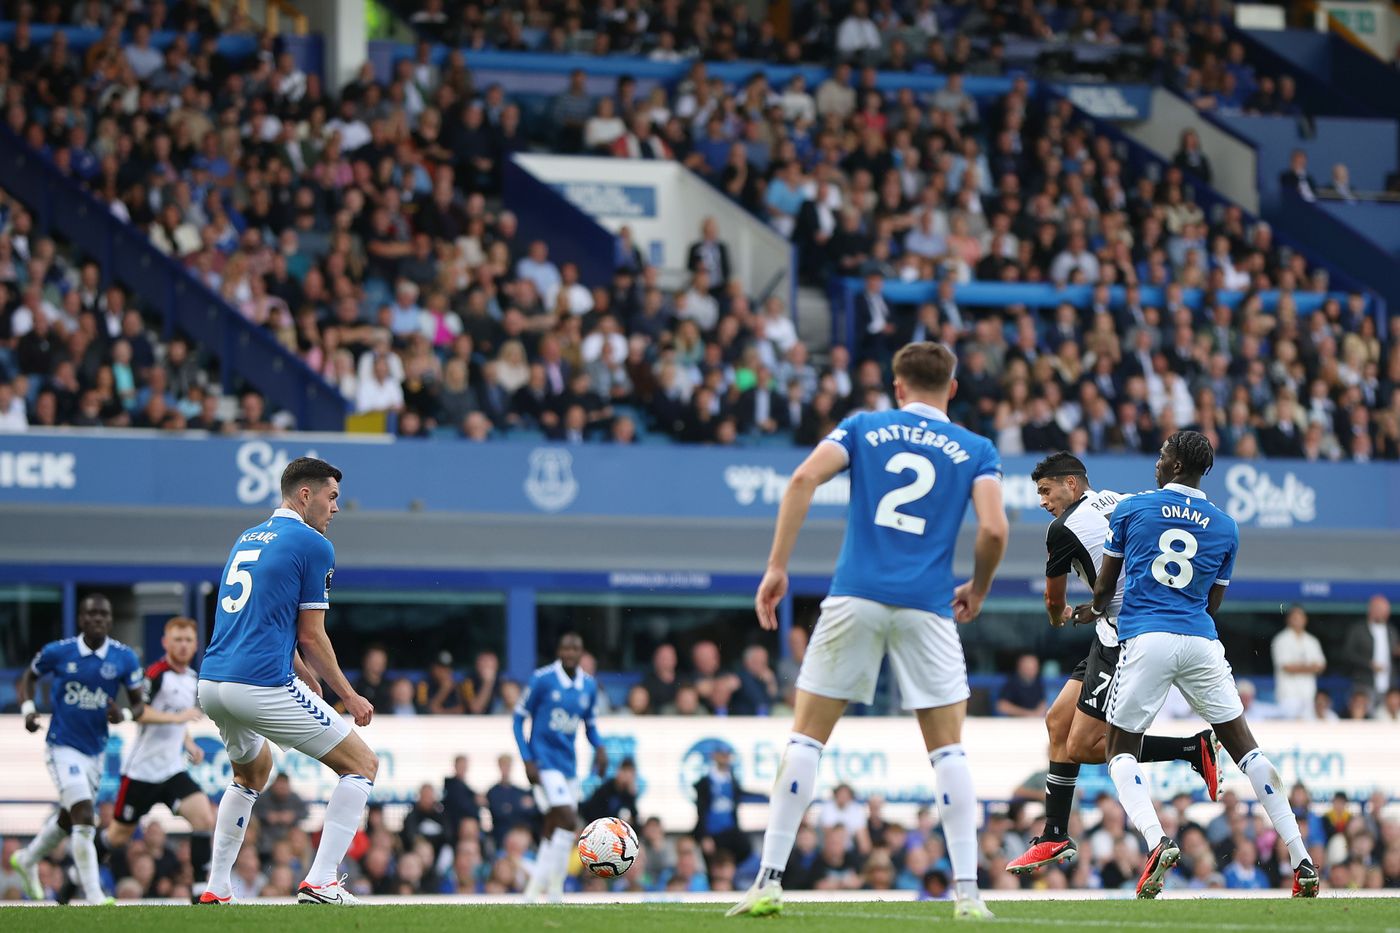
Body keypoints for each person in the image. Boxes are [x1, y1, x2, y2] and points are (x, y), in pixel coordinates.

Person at [728, 342, 1007, 920]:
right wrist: (976, 589)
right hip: (929, 605)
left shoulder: (863, 426)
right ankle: (967, 894)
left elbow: (803, 478)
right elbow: (995, 530)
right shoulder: (977, 449)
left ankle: (767, 882)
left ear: (898, 386)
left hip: (855, 594)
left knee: (806, 737)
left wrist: (778, 565)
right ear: (952, 388)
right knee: (948, 749)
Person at [1071, 431, 1318, 899]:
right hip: (1202, 640)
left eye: (1163, 455)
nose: (1157, 462)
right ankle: (1301, 857)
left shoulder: (1132, 508)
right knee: (1248, 751)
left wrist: (1087, 611)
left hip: (1147, 638)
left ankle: (1156, 840)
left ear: (1179, 465)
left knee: (1118, 751)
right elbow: (1214, 601)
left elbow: (1104, 595)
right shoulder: (1226, 525)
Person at [1008, 453, 1217, 875]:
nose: (1044, 501)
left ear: (1071, 483)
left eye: (1047, 491)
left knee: (1082, 745)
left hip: (1124, 637)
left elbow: (1053, 601)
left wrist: (1060, 616)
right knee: (1056, 722)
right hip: (1110, 632)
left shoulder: (1062, 529)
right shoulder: (1118, 499)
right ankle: (1053, 835)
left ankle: (1190, 748)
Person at [196, 457, 378, 906]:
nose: (335, 508)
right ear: (305, 495)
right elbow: (312, 634)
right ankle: (322, 882)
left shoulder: (249, 536)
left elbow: (264, 619)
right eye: (331, 497)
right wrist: (349, 695)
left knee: (252, 773)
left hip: (214, 684)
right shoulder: (313, 544)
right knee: (362, 765)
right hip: (260, 684)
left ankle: (217, 888)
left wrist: (303, 672)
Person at [11, 594, 145, 904]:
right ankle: (95, 896)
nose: (98, 619)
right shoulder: (60, 652)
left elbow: (139, 704)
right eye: (92, 614)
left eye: (104, 615)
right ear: (81, 619)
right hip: (62, 746)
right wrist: (29, 709)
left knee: (69, 818)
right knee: (85, 815)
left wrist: (122, 715)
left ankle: (28, 858)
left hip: (96, 750)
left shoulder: (123, 658)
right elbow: (28, 677)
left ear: (110, 620)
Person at [106, 616, 215, 900]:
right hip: (141, 772)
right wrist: (179, 718)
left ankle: (200, 890)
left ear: (195, 645)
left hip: (172, 770)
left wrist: (189, 743)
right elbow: (140, 712)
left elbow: (177, 724)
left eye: (188, 640)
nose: (183, 645)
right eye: (177, 639)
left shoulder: (192, 678)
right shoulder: (155, 674)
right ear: (165, 643)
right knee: (116, 838)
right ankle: (74, 875)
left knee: (203, 817)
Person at [513, 632, 608, 902]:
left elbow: (589, 725)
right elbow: (518, 719)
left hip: (568, 764)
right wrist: (527, 758)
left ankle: (543, 892)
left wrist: (599, 747)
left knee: (557, 827)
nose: (569, 652)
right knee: (567, 818)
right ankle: (552, 889)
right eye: (565, 647)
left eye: (575, 648)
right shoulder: (542, 679)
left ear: (581, 653)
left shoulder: (588, 686)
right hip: (544, 761)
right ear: (558, 650)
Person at [1339, 595, 1397, 704]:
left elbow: (1393, 651)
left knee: (1384, 717)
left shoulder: (1391, 630)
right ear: (1371, 610)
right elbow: (1348, 654)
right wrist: (1369, 664)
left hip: (1388, 684)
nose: (1385, 614)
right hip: (1364, 684)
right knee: (1366, 716)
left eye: (1386, 611)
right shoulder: (1358, 629)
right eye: (1381, 610)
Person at [1271, 605, 1327, 718]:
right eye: (1294, 617)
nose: (1297, 620)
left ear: (1305, 619)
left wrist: (1298, 667)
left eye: (1300, 617)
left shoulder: (1312, 641)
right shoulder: (1281, 639)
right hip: (1288, 693)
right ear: (1288, 619)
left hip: (1308, 693)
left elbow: (1321, 666)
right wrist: (1309, 667)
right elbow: (1286, 667)